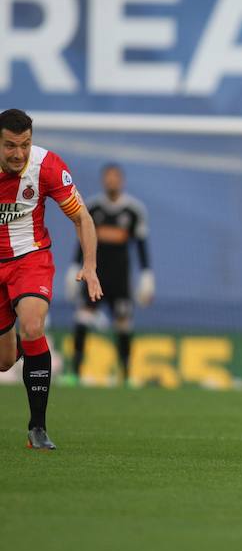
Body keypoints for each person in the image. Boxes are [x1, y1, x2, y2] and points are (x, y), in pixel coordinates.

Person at [0, 108, 102, 449]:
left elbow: (82, 218)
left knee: (32, 325)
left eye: (25, 144)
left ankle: (37, 428)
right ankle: (17, 348)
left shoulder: (47, 166)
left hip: (30, 258)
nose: (18, 153)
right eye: (10, 146)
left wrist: (89, 266)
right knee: (3, 361)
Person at [65, 163, 153, 385]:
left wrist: (146, 275)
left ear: (121, 181)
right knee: (82, 319)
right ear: (103, 180)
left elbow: (141, 245)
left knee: (123, 324)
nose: (111, 181)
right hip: (95, 276)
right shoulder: (92, 208)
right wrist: (75, 268)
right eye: (108, 177)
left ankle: (125, 375)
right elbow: (83, 241)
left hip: (120, 279)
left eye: (115, 177)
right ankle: (75, 373)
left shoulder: (134, 211)